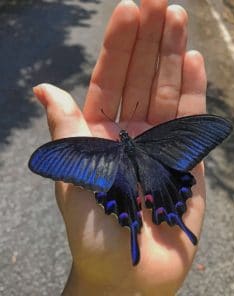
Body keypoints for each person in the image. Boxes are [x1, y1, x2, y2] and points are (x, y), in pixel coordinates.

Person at [33, 0, 206, 295]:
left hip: (124, 178)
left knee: (143, 199)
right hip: (152, 171)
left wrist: (98, 284)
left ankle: (140, 230)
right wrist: (99, 282)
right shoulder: (151, 139)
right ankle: (168, 222)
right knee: (162, 195)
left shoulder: (103, 149)